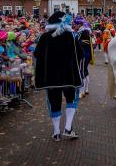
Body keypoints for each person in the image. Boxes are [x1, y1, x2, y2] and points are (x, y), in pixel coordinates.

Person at [34, 11, 84, 141]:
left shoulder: (43, 37)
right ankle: (68, 128)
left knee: (53, 102)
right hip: (69, 77)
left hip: (51, 79)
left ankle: (56, 132)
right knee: (72, 100)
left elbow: (36, 55)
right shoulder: (71, 36)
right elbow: (81, 55)